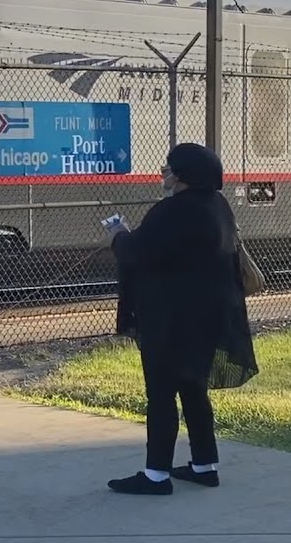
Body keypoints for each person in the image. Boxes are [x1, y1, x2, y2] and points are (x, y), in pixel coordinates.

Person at [103, 142, 257, 496]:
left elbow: (138, 253)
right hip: (209, 318)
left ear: (185, 175)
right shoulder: (218, 206)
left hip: (171, 320)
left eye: (170, 167)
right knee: (193, 389)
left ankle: (156, 474)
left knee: (160, 395)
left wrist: (118, 235)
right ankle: (205, 464)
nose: (164, 172)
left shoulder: (171, 211)